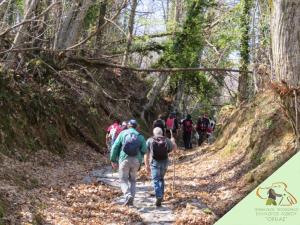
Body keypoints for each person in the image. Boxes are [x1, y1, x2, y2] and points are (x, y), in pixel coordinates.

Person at [110, 119, 147, 206]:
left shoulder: (122, 133)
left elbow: (115, 147)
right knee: (133, 181)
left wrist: (113, 159)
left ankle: (127, 195)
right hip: (136, 161)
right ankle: (131, 200)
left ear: (128, 126)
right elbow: (144, 149)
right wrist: (139, 157)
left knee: (123, 179)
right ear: (136, 126)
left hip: (124, 159)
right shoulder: (140, 136)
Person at [144, 127, 177, 207]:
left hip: (154, 163)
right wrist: (173, 142)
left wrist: (146, 165)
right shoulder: (166, 140)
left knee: (155, 180)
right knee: (161, 179)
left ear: (154, 133)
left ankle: (158, 196)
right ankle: (161, 196)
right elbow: (174, 149)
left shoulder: (150, 140)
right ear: (162, 133)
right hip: (165, 162)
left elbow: (146, 153)